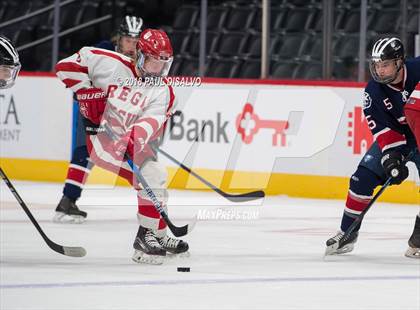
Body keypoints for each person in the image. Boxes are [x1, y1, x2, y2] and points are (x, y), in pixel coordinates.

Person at [55, 28, 188, 264]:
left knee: (154, 177)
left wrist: (132, 139)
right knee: (150, 176)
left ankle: (157, 233)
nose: (157, 70)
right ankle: (146, 239)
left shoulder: (164, 91)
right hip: (101, 141)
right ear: (139, 54)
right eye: (152, 61)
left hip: (127, 142)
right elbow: (64, 67)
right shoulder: (107, 61)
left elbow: (150, 123)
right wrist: (88, 93)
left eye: (163, 64)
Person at [325, 37, 420, 259]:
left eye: (385, 64)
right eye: (377, 65)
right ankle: (347, 232)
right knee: (362, 178)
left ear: (399, 62)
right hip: (403, 139)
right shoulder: (373, 92)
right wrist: (391, 158)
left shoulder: (417, 70)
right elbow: (383, 129)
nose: (380, 70)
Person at [54, 16, 143, 223]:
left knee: (120, 153)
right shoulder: (103, 49)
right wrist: (89, 95)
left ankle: (68, 201)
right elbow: (78, 72)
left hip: (117, 112)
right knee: (84, 151)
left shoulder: (140, 58)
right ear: (119, 38)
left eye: (136, 41)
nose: (132, 45)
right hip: (90, 109)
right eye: (128, 40)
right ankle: (68, 200)